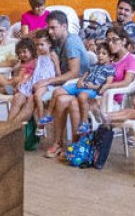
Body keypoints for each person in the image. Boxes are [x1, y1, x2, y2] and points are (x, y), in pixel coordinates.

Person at [36, 12, 96, 155]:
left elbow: (74, 73)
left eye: (53, 28)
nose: (50, 31)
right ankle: (57, 143)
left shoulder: (71, 42)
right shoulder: (57, 40)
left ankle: (69, 146)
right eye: (48, 28)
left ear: (64, 26)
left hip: (80, 84)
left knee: (62, 101)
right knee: (34, 94)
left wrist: (48, 81)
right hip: (66, 84)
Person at [61, 41, 115, 127]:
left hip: (93, 90)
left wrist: (93, 86)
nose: (100, 55)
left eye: (104, 54)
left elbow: (107, 84)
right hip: (84, 86)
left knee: (82, 96)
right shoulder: (94, 65)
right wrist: (80, 80)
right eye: (98, 53)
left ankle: (84, 123)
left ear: (111, 57)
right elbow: (86, 73)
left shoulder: (110, 69)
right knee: (59, 91)